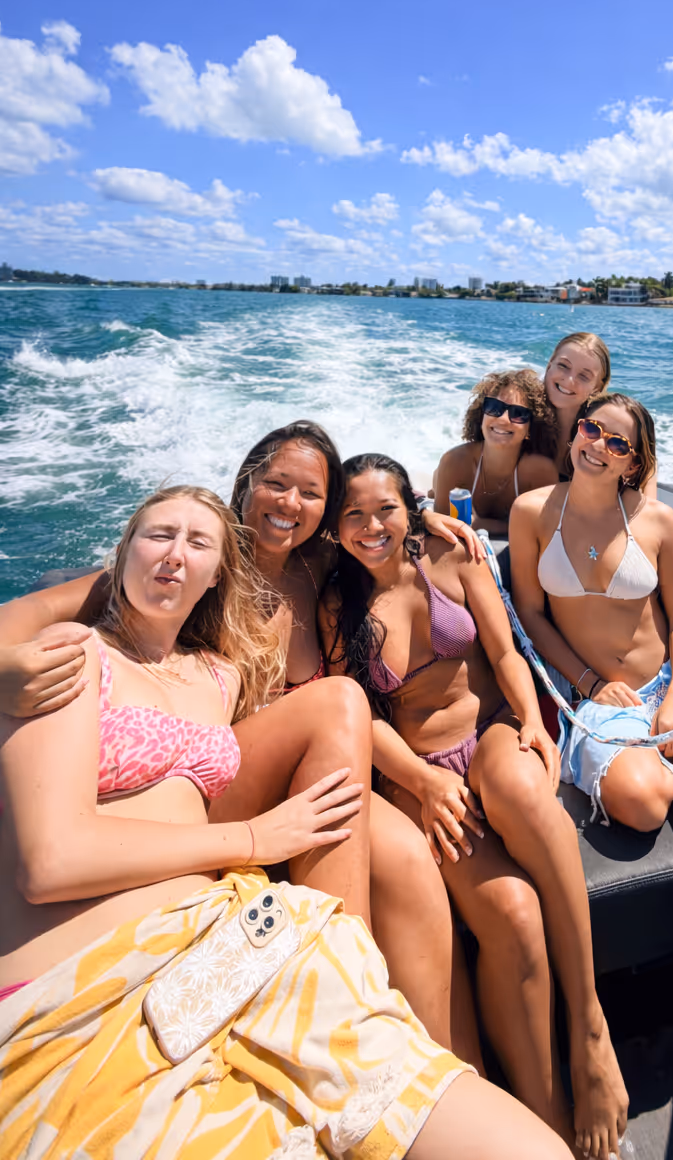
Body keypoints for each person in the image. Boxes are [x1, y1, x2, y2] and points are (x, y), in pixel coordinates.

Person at [0, 485, 571, 1160]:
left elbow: (356, 540)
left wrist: (426, 514)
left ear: (220, 573)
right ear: (121, 553)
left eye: (198, 543)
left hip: (224, 941)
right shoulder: (72, 655)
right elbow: (52, 862)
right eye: (158, 536)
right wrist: (255, 840)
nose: (176, 556)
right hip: (95, 981)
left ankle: (353, 1000)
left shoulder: (218, 676)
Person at [0, 421, 484, 1065]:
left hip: (320, 763)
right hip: (226, 777)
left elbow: (382, 529)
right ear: (247, 483)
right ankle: (357, 1029)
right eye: (276, 484)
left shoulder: (320, 566)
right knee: (398, 854)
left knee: (415, 868)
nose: (289, 505)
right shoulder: (197, 561)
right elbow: (24, 620)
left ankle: (443, 1069)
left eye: (310, 494)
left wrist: (428, 519)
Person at [320, 453, 628, 1160]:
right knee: (514, 914)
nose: (372, 526)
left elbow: (508, 650)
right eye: (354, 515)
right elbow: (356, 718)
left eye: (387, 509)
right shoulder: (338, 603)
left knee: (522, 785)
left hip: (490, 730)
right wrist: (424, 786)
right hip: (418, 772)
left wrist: (529, 718)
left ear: (412, 509)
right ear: (336, 527)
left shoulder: (455, 558)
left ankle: (590, 1030)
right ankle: (545, 1121)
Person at [509, 393, 673, 847]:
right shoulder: (531, 512)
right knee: (643, 804)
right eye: (592, 430)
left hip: (670, 681)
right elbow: (529, 613)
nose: (600, 446)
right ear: (576, 433)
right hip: (599, 698)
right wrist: (589, 682)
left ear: (633, 464)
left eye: (618, 444)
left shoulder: (658, 521)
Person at [434, 370, 559, 539]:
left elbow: (542, 529)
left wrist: (481, 524)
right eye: (494, 408)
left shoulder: (539, 471)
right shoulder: (455, 461)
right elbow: (440, 525)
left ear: (531, 428)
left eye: (518, 414)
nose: (503, 419)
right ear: (482, 415)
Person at [542, 333, 611, 478]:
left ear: (597, 388)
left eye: (584, 376)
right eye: (563, 366)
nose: (569, 380)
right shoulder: (517, 414)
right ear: (549, 366)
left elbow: (645, 461)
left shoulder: (601, 432)